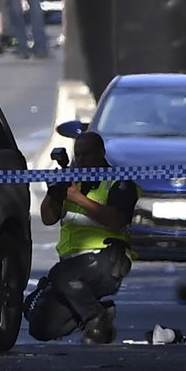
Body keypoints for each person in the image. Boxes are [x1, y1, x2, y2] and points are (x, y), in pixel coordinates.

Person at [24, 132, 140, 344]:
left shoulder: (118, 181)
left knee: (60, 275)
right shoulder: (72, 180)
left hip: (107, 259)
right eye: (78, 155)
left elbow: (116, 220)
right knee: (39, 322)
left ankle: (93, 318)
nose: (81, 160)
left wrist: (79, 198)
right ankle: (101, 314)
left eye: (87, 154)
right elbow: (48, 218)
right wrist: (54, 193)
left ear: (102, 153)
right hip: (73, 267)